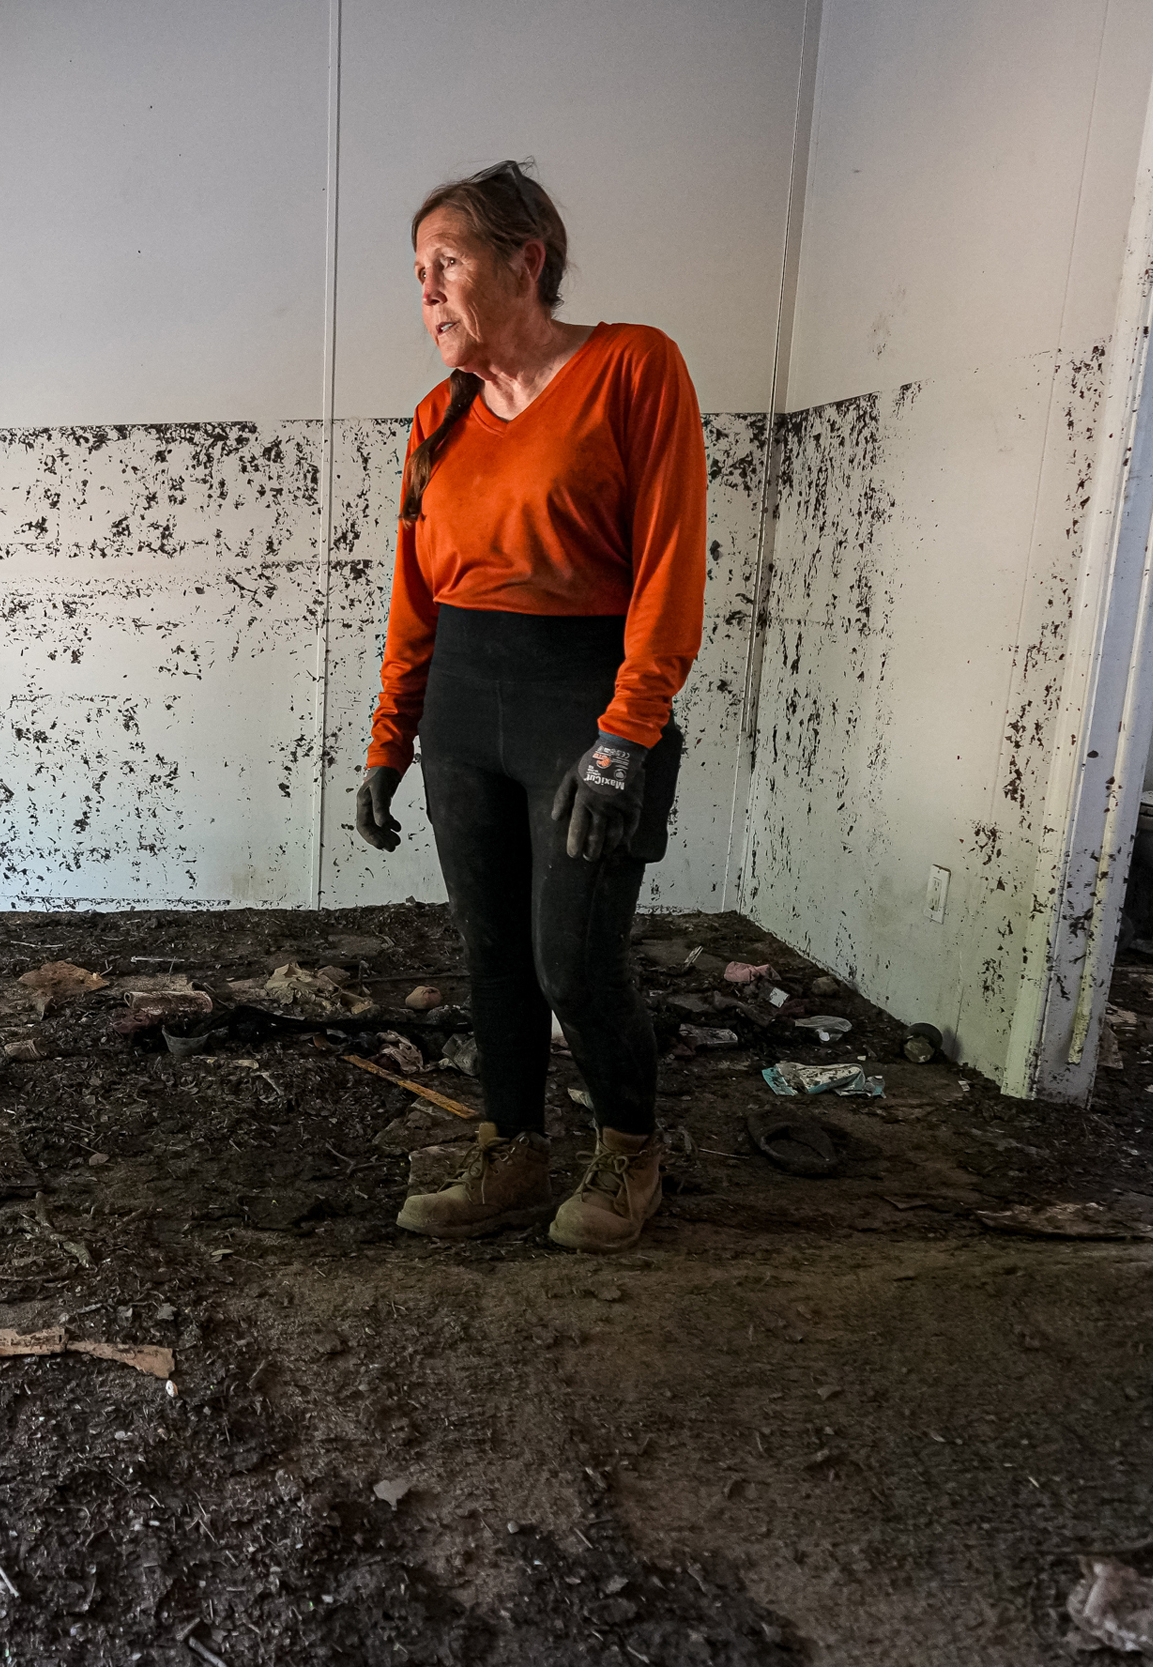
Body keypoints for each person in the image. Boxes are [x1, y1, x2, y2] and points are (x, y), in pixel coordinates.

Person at [354, 160, 706, 1255]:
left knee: (574, 958)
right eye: (416, 272)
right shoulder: (435, 418)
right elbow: (414, 593)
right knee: (491, 948)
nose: (426, 292)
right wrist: (388, 740)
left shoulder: (631, 367)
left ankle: (630, 1153)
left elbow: (669, 566)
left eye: (444, 264)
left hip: (581, 703)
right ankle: (510, 1146)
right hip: (465, 700)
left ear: (525, 261)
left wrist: (623, 738)